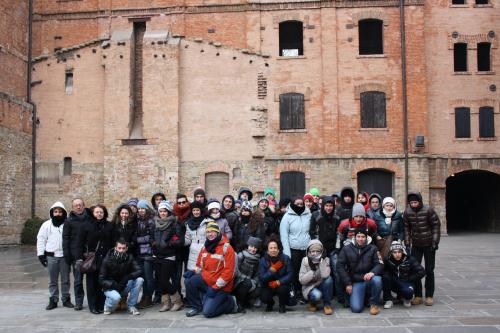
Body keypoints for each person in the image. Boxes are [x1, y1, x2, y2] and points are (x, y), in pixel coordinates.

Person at [185, 222, 238, 318]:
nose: (210, 234)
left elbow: (229, 273)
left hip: (221, 286)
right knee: (189, 281)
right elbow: (200, 265)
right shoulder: (205, 247)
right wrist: (193, 271)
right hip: (207, 280)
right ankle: (196, 307)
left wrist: (216, 287)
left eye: (213, 231)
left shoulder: (227, 248)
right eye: (208, 232)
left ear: (218, 233)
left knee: (208, 313)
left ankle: (231, 302)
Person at [403, 191, 441, 306]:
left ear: (419, 201)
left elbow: (436, 225)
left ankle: (429, 295)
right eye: (411, 203)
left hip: (429, 244)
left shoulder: (428, 210)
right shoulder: (407, 212)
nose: (413, 204)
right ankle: (418, 295)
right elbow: (406, 229)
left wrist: (435, 242)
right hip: (416, 244)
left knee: (429, 270)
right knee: (416, 269)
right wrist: (407, 243)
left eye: (415, 202)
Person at [77, 204, 114, 314]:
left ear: (104, 213)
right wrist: (79, 258)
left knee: (102, 283)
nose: (99, 214)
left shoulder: (109, 225)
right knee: (92, 283)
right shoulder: (86, 225)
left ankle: (101, 304)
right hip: (92, 259)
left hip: (105, 258)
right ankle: (93, 306)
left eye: (101, 212)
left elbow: (113, 241)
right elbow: (80, 242)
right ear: (93, 213)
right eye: (97, 212)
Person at [337, 229, 384, 315]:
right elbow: (340, 266)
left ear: (366, 238)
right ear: (355, 237)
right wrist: (348, 283)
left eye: (363, 237)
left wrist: (372, 272)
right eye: (358, 237)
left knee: (377, 280)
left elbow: (380, 264)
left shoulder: (373, 248)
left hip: (368, 279)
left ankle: (374, 304)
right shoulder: (347, 248)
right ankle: (365, 298)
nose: (360, 239)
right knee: (356, 308)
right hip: (356, 281)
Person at [37, 201, 74, 310]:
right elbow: (41, 239)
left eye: (60, 212)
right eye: (55, 212)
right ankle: (53, 299)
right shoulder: (46, 225)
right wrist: (41, 254)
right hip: (51, 256)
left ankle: (66, 298)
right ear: (52, 213)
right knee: (52, 280)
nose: (57, 214)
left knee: (65, 280)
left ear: (63, 213)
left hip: (64, 256)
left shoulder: (68, 224)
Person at [153, 200, 184, 312]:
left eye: (164, 211)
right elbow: (153, 237)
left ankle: (177, 301)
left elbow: (180, 240)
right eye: (161, 211)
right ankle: (166, 303)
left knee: (165, 280)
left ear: (168, 212)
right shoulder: (155, 223)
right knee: (160, 280)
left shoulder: (174, 223)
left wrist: (169, 243)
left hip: (169, 255)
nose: (162, 213)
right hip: (157, 255)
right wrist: (154, 244)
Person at [309, 196, 341, 302]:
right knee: (320, 273)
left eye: (331, 205)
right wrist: (318, 248)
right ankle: (321, 295)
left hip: (333, 249)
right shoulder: (316, 215)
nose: (328, 208)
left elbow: (338, 233)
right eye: (326, 205)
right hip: (320, 249)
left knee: (336, 271)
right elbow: (312, 232)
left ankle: (339, 295)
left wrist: (337, 247)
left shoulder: (336, 217)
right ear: (323, 206)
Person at [99, 238, 143, 315]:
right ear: (115, 248)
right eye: (119, 248)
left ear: (126, 249)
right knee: (117, 298)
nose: (121, 250)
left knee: (140, 280)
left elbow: (139, 270)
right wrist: (114, 285)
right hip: (110, 287)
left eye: (123, 248)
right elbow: (101, 279)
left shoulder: (129, 257)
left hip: (124, 285)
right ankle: (107, 305)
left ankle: (131, 306)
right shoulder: (107, 259)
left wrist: (128, 277)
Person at [280, 196, 311, 301]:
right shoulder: (287, 216)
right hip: (293, 249)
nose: (299, 206)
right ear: (292, 204)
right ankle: (294, 292)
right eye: (297, 204)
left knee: (306, 272)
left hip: (306, 249)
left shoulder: (308, 214)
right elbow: (284, 236)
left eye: (301, 204)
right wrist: (287, 253)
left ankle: (305, 292)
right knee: (294, 272)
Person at [63, 197, 91, 311]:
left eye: (80, 205)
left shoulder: (90, 218)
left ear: (84, 206)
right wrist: (68, 255)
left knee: (91, 280)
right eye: (76, 205)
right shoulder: (69, 221)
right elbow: (66, 239)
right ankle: (79, 302)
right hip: (77, 255)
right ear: (73, 207)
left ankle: (93, 301)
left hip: (89, 254)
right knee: (78, 280)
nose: (78, 207)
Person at [383, 240, 425, 309]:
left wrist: (410, 279)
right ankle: (388, 300)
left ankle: (406, 298)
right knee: (385, 277)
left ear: (402, 252)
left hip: (406, 282)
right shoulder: (388, 260)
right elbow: (383, 271)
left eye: (399, 252)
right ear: (391, 253)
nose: (397, 254)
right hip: (395, 282)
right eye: (395, 252)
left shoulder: (409, 259)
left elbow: (422, 271)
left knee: (408, 292)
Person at [299, 239, 333, 315]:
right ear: (309, 252)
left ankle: (327, 305)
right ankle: (313, 303)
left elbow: (325, 275)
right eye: (312, 251)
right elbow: (301, 280)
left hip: (321, 284)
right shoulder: (305, 261)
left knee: (329, 280)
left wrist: (321, 263)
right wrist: (313, 271)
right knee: (316, 295)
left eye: (318, 251)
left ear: (321, 252)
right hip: (309, 287)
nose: (315, 254)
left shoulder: (326, 259)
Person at [258, 238, 293, 313]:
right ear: (267, 250)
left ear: (278, 249)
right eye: (271, 248)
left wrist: (278, 282)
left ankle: (282, 305)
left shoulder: (285, 258)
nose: (273, 250)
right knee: (263, 297)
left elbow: (290, 275)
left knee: (283, 289)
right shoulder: (263, 260)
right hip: (268, 285)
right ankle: (270, 303)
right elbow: (262, 278)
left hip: (281, 284)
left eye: (275, 248)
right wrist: (272, 270)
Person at [133, 200, 156, 309]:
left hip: (148, 253)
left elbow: (151, 238)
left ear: (146, 208)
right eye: (139, 208)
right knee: (142, 277)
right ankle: (144, 297)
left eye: (143, 208)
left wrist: (137, 240)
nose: (141, 210)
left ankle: (148, 298)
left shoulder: (151, 220)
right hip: (139, 254)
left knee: (148, 277)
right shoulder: (137, 220)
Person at [233, 236, 262, 310]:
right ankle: (240, 302)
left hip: (251, 282)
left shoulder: (258, 259)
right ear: (248, 246)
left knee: (258, 289)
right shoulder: (241, 255)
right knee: (247, 283)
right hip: (239, 281)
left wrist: (255, 282)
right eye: (251, 246)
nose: (253, 249)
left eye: (255, 247)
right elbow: (236, 271)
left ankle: (246, 301)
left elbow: (257, 274)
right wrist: (246, 278)